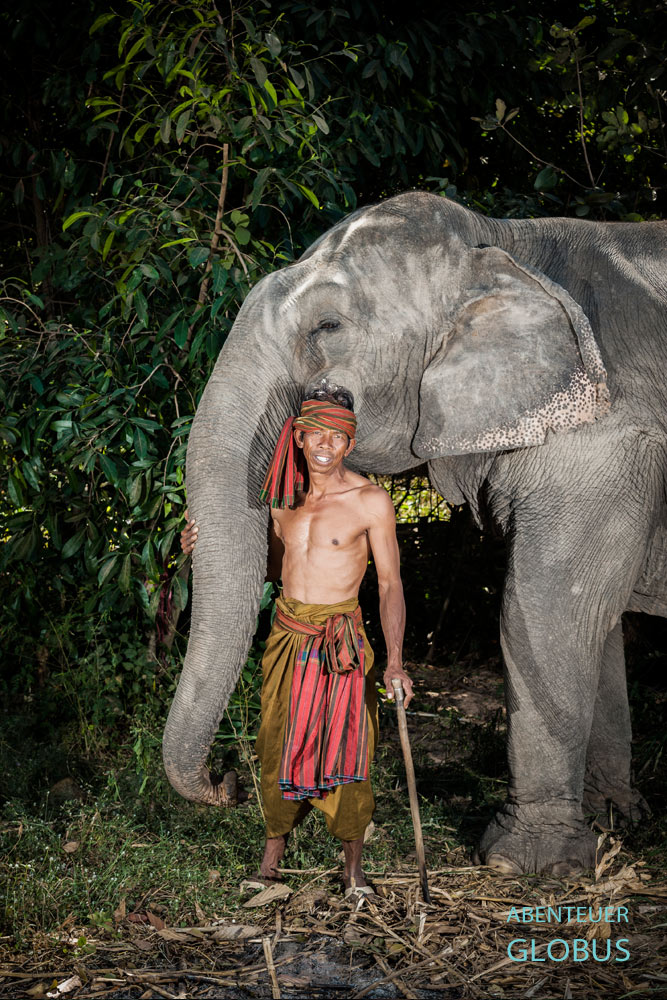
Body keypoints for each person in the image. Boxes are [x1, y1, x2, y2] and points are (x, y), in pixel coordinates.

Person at [180, 382, 412, 897]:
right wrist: (205, 545)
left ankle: (353, 872)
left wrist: (394, 661)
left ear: (350, 444)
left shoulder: (371, 501)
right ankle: (269, 866)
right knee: (275, 746)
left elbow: (391, 584)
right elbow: (267, 567)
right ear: (299, 436)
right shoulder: (282, 499)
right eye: (316, 433)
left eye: (337, 435)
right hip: (287, 638)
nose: (325, 444)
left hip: (341, 645)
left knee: (349, 753)